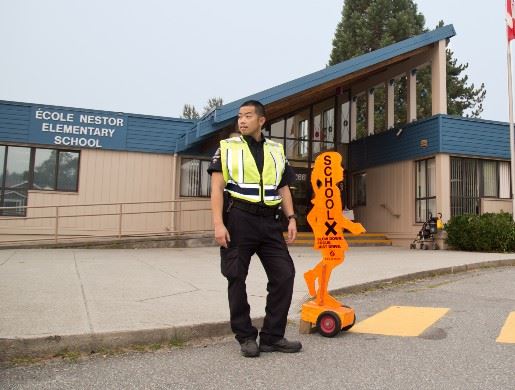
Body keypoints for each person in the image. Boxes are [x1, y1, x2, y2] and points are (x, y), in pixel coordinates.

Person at [208, 100, 302, 358]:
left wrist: (291, 217)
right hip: (239, 219)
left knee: (285, 275)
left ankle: (272, 336)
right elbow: (216, 187)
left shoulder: (276, 150)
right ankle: (245, 336)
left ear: (261, 120)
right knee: (236, 277)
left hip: (270, 223)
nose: (242, 120)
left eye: (248, 116)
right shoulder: (227, 148)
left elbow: (283, 187)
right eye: (240, 116)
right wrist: (218, 223)